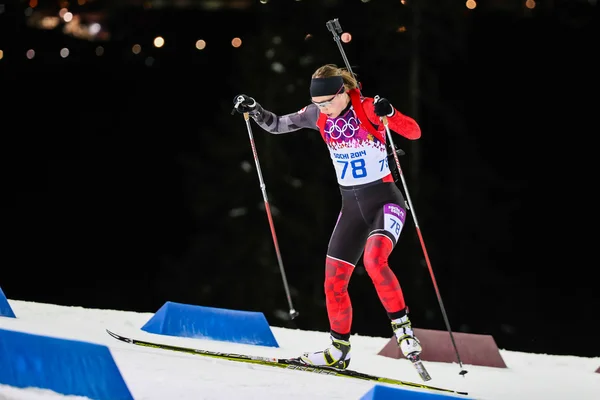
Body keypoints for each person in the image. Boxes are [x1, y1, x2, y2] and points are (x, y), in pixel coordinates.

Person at [233, 63, 422, 369]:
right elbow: (277, 124)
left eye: (328, 102)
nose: (324, 109)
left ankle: (403, 331)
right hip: (351, 209)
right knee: (333, 282)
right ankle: (338, 351)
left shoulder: (367, 108)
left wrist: (391, 113)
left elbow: (414, 132)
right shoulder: (317, 114)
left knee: (375, 261)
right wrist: (254, 109)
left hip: (386, 202)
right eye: (318, 104)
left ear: (343, 92)